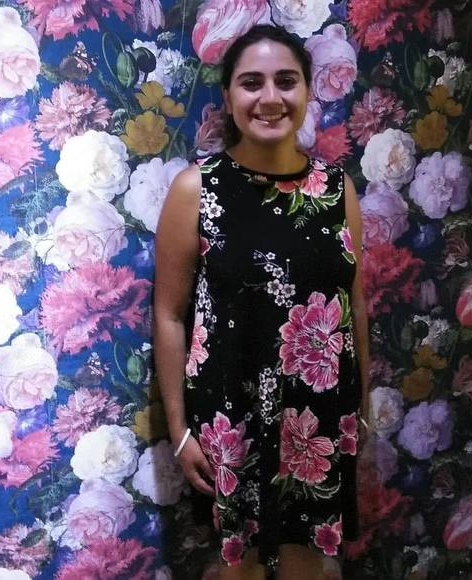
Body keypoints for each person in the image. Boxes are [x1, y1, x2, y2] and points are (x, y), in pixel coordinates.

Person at [154, 24, 370, 580]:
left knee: (309, 564)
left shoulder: (337, 190)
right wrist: (180, 431)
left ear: (307, 92)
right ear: (228, 97)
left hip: (319, 414)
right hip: (232, 417)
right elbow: (170, 315)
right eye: (252, 83)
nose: (270, 97)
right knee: (240, 568)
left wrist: (361, 407)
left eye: (286, 81)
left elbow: (353, 302)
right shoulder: (196, 189)